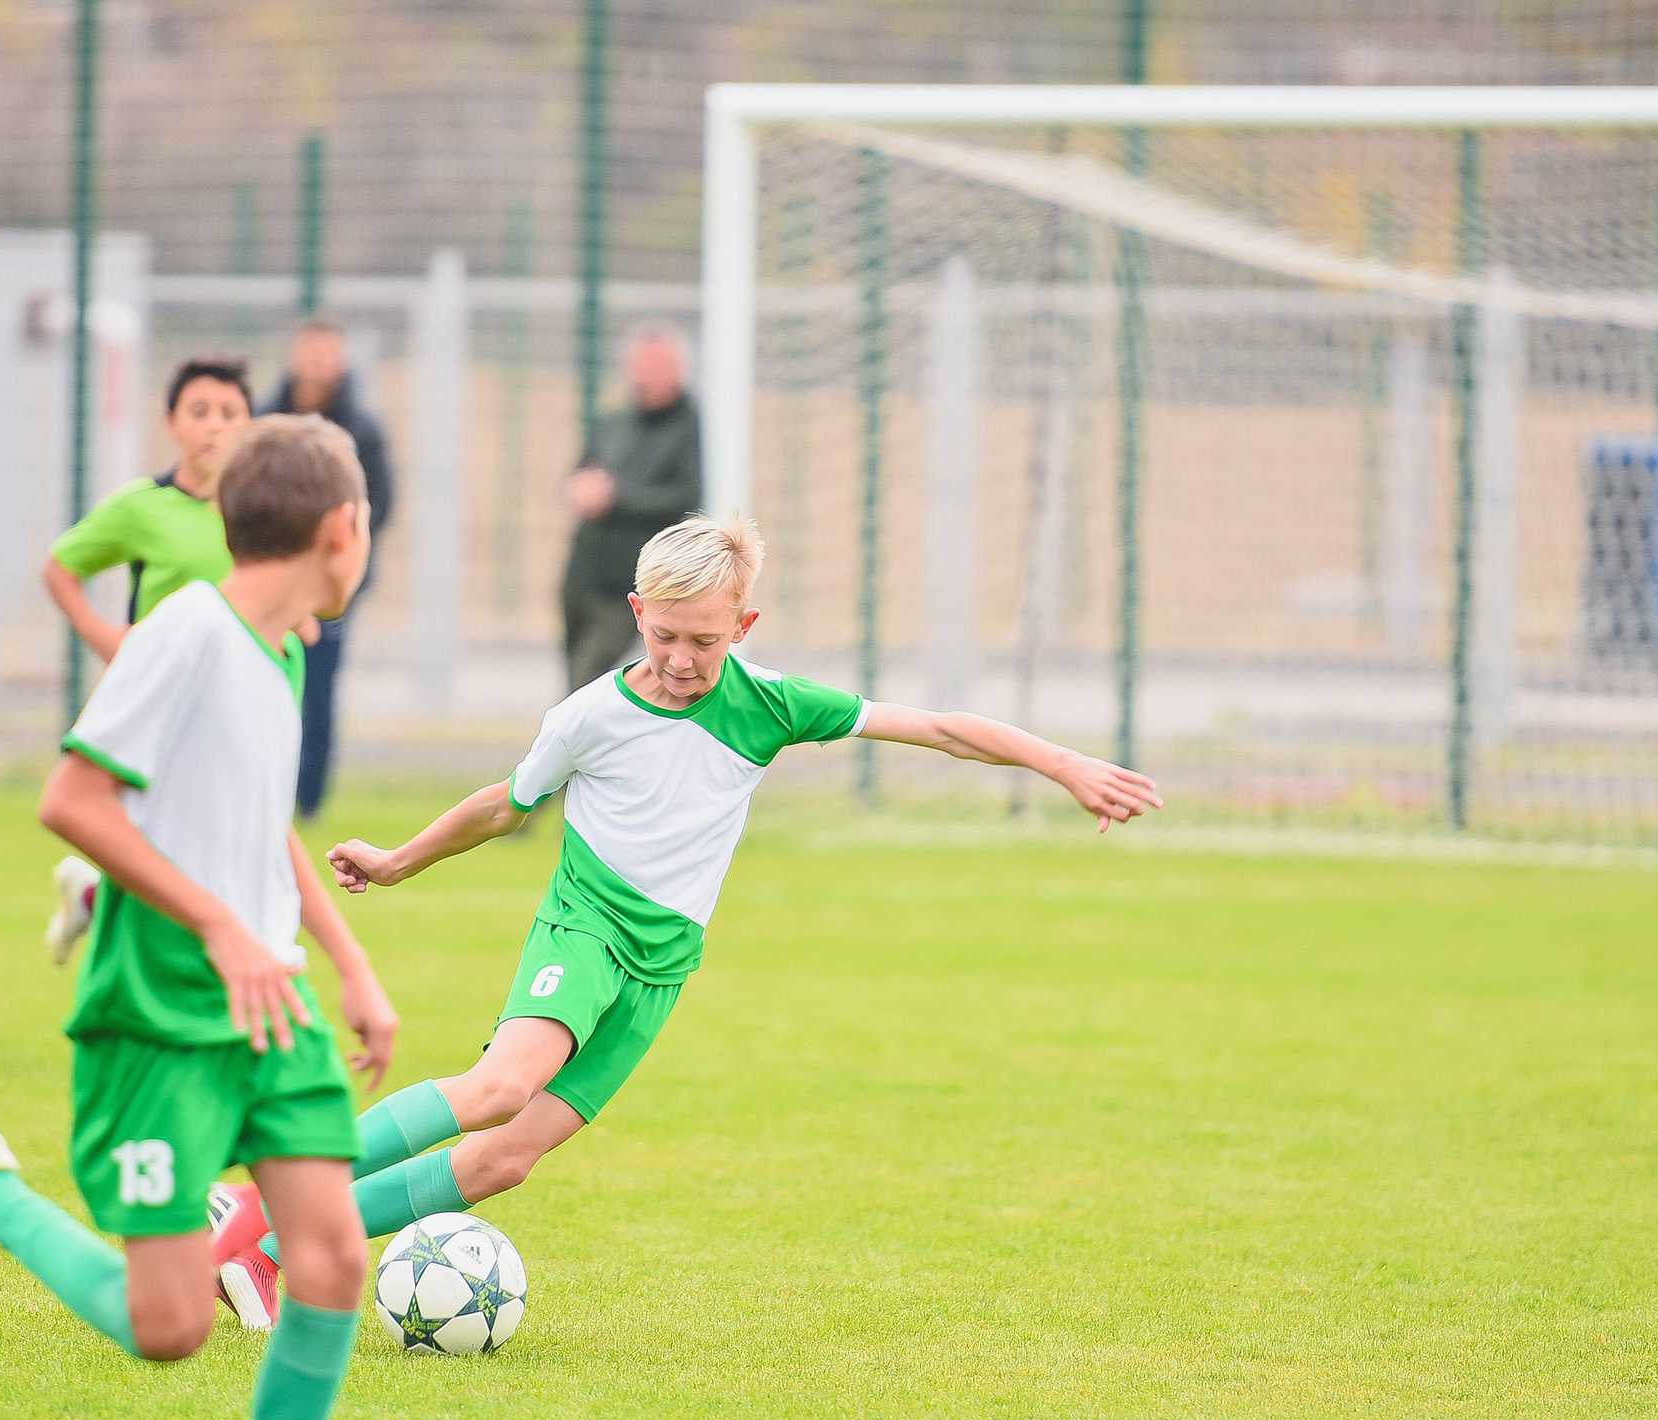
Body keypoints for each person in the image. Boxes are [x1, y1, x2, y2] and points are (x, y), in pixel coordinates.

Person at [208, 512, 1160, 1298]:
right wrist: (399, 859)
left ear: (743, 626)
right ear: (637, 613)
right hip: (586, 925)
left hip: (663, 969)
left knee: (503, 1160)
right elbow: (503, 805)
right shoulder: (589, 716)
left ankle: (269, 1230)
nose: (679, 659)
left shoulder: (771, 705)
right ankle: (265, 1221)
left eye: (704, 640)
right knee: (497, 1086)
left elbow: (941, 728)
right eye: (663, 635)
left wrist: (1064, 762)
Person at [0, 415, 398, 1420]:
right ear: (338, 529)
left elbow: (263, 830)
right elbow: (74, 798)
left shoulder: (281, 647)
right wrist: (214, 923)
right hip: (159, 1008)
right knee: (169, 1325)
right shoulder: (187, 630)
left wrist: (349, 961)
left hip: (273, 1008)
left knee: (331, 1252)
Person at [38, 355, 254, 963]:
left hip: (243, 698)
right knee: (181, 838)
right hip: (167, 701)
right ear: (171, 423)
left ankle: (92, 897)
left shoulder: (261, 512)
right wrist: (106, 638)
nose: (215, 426)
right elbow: (61, 568)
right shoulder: (143, 507)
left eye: (230, 413)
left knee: (203, 839)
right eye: (200, 412)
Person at [263, 319, 394, 820]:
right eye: (310, 354)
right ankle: (265, 790)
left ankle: (308, 800)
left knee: (316, 692)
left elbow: (381, 501)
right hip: (269, 583)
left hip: (330, 590)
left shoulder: (363, 431)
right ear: (294, 357)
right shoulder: (267, 421)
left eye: (328, 355)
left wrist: (337, 554)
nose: (318, 365)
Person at [561, 321, 703, 692]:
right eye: (643, 365)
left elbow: (686, 498)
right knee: (574, 682)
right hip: (583, 576)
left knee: (587, 681)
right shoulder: (615, 423)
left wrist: (615, 498)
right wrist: (579, 490)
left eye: (660, 366)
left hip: (631, 586)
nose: (649, 375)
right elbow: (582, 472)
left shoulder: (692, 428)